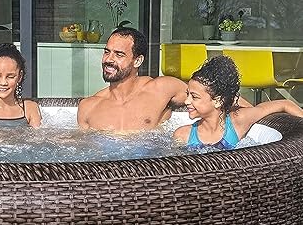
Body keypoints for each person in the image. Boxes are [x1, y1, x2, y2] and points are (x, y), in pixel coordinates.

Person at [173, 55, 303, 149]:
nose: (186, 101)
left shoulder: (238, 121)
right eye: (187, 94)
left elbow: (285, 104)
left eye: (194, 97)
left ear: (218, 101)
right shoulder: (183, 135)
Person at [77, 27, 188, 132]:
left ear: (138, 61)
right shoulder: (88, 107)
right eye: (107, 52)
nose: (108, 59)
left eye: (119, 54)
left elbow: (198, 95)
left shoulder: (161, 89)